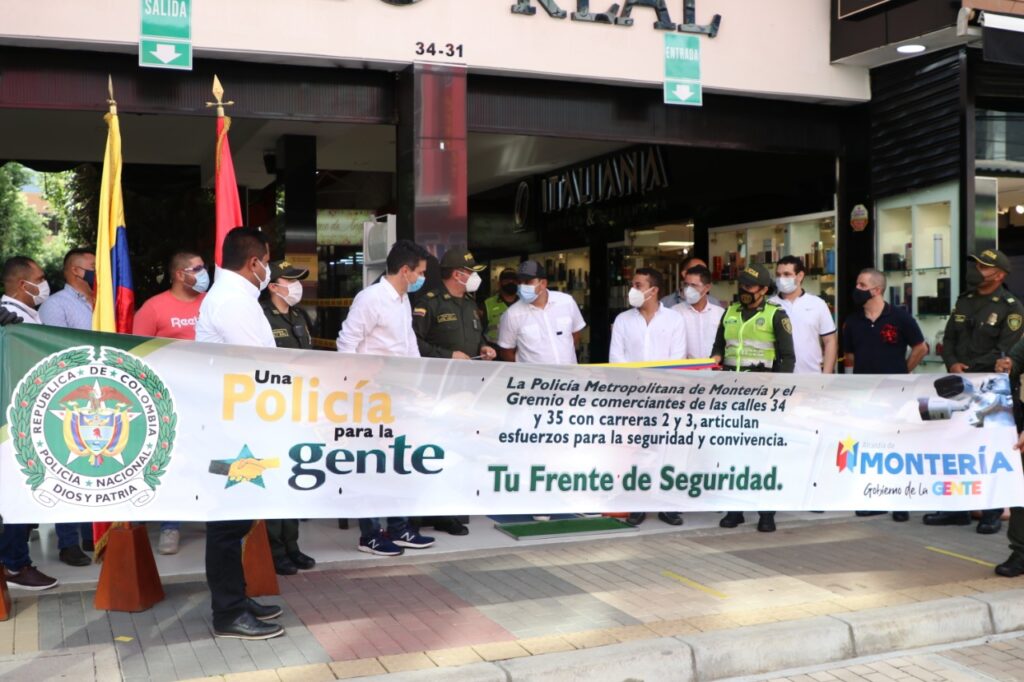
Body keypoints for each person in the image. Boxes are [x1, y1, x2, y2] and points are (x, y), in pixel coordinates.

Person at [195, 227, 284, 640]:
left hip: (240, 424)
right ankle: (228, 612)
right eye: (267, 260)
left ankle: (236, 598)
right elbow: (260, 367)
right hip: (234, 429)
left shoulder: (236, 298)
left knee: (237, 518)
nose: (269, 269)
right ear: (254, 263)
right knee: (228, 524)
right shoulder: (233, 302)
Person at [337, 239, 436, 556]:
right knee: (370, 463)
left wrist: (418, 381)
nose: (422, 277)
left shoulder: (402, 299)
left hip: (399, 394)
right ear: (405, 271)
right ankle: (369, 533)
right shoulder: (370, 299)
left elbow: (409, 345)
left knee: (397, 461)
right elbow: (347, 342)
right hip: (370, 396)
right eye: (420, 272)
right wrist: (355, 386)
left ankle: (399, 526)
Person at [928, 250, 1024, 534]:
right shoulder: (965, 300)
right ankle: (956, 509)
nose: (977, 270)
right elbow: (950, 337)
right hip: (958, 385)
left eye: (984, 267)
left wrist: (973, 369)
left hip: (990, 389)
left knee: (989, 449)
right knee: (955, 445)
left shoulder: (1011, 307)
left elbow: (1007, 352)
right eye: (977, 265)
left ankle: (992, 512)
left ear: (1000, 275)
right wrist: (952, 362)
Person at [413, 248, 496, 537]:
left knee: (459, 451)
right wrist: (447, 355)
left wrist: (484, 347)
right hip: (437, 390)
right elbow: (415, 344)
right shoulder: (429, 303)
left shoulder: (471, 305)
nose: (474, 278)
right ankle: (428, 512)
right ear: (457, 274)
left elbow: (477, 335)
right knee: (435, 450)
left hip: (467, 391)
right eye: (471, 273)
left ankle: (449, 511)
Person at [132, 250, 209, 555]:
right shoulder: (154, 308)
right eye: (198, 268)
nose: (204, 273)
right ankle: (170, 526)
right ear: (180, 274)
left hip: (210, 396)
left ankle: (209, 513)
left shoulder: (212, 304)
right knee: (173, 462)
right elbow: (136, 354)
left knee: (211, 458)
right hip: (169, 400)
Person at [498, 259, 587, 521]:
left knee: (571, 443)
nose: (523, 286)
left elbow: (576, 334)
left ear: (543, 283)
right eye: (521, 281)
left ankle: (573, 496)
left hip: (569, 389)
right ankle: (540, 499)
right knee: (537, 447)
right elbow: (507, 350)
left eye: (528, 281)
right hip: (534, 394)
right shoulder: (513, 314)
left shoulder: (566, 302)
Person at [711, 263, 795, 533]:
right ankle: (735, 510)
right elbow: (719, 346)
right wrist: (714, 359)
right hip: (731, 393)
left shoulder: (776, 315)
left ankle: (766, 513)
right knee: (733, 452)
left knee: (762, 454)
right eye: (742, 285)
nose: (744, 290)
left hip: (762, 394)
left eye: (750, 286)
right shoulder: (730, 312)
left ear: (764, 290)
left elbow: (787, 356)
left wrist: (777, 391)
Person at [843, 267, 927, 524]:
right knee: (869, 447)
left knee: (897, 447)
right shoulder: (852, 321)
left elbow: (920, 348)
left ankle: (900, 501)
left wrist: (903, 372)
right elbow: (849, 357)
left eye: (861, 284)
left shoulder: (900, 317)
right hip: (864, 395)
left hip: (895, 393)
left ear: (876, 290)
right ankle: (872, 498)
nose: (856, 289)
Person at [609, 267, 687, 527]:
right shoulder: (623, 320)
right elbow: (616, 358)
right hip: (633, 395)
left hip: (665, 394)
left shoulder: (674, 320)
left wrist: (659, 379)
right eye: (633, 284)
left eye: (639, 285)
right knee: (639, 450)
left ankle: (667, 504)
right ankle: (638, 503)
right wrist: (638, 380)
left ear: (654, 290)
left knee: (667, 450)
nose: (633, 290)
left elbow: (678, 358)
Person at [0, 257, 59, 591]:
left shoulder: (24, 315)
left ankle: (13, 560)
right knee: (19, 494)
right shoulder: (10, 319)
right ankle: (15, 564)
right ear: (23, 285)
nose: (45, 282)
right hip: (15, 424)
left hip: (23, 419)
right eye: (40, 277)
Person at [38, 247, 96, 567]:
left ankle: (91, 534)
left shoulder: (103, 302)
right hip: (68, 398)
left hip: (101, 395)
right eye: (93, 267)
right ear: (75, 271)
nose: (98, 272)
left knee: (95, 467)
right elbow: (51, 350)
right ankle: (68, 542)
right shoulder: (55, 305)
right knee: (70, 470)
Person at [259, 259, 318, 575]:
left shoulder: (300, 315)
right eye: (290, 280)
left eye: (299, 280)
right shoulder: (261, 317)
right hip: (272, 409)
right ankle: (275, 549)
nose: (297, 286)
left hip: (300, 407)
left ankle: (292, 545)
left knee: (293, 476)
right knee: (273, 476)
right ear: (273, 286)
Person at [769, 255, 837, 374]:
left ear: (800, 276)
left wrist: (826, 375)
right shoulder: (769, 304)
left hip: (811, 375)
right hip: (778, 377)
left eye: (786, 274)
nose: (781, 279)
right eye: (778, 275)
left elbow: (830, 341)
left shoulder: (817, 304)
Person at [672, 265, 724, 359]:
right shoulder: (674, 312)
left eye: (693, 285)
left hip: (714, 370)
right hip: (684, 371)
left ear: (707, 287)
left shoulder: (720, 313)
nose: (688, 289)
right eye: (686, 285)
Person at [482, 268, 519, 347]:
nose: (511, 283)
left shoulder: (525, 303)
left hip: (519, 349)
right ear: (499, 283)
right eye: (507, 280)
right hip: (495, 350)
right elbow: (480, 331)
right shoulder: (488, 304)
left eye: (514, 281)